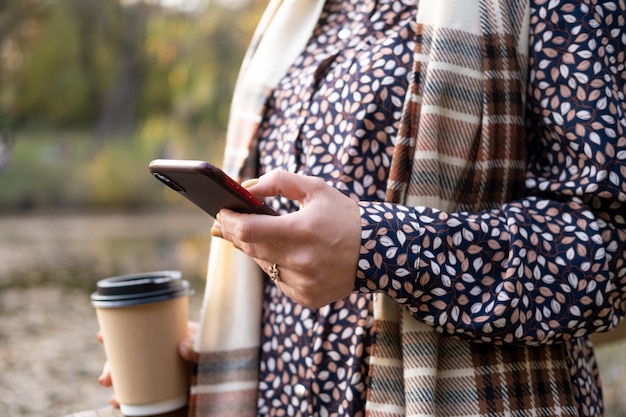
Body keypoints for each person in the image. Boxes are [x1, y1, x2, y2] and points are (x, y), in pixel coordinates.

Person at [97, 0, 626, 416]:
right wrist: (214, 355)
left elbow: (610, 253)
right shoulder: (298, 14)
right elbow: (298, 250)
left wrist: (377, 247)